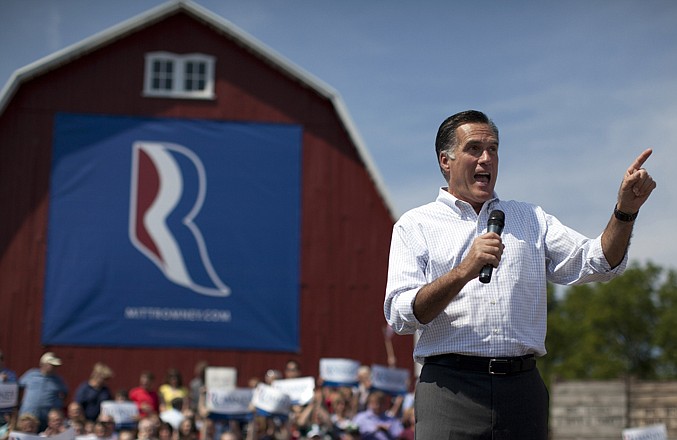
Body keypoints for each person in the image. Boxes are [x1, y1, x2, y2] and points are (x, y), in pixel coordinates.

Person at [384, 110, 657, 439]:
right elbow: (401, 316)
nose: (487, 159)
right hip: (450, 391)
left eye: (494, 149)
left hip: (522, 391)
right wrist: (462, 273)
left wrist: (625, 210)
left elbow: (598, 262)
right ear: (446, 161)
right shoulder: (415, 226)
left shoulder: (530, 218)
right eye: (474, 149)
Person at [18, 352, 69, 431]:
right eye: (52, 365)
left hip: (46, 419)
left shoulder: (58, 380)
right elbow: (18, 387)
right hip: (28, 416)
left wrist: (58, 405)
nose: (54, 368)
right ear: (43, 364)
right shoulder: (31, 374)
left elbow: (65, 394)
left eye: (55, 366)